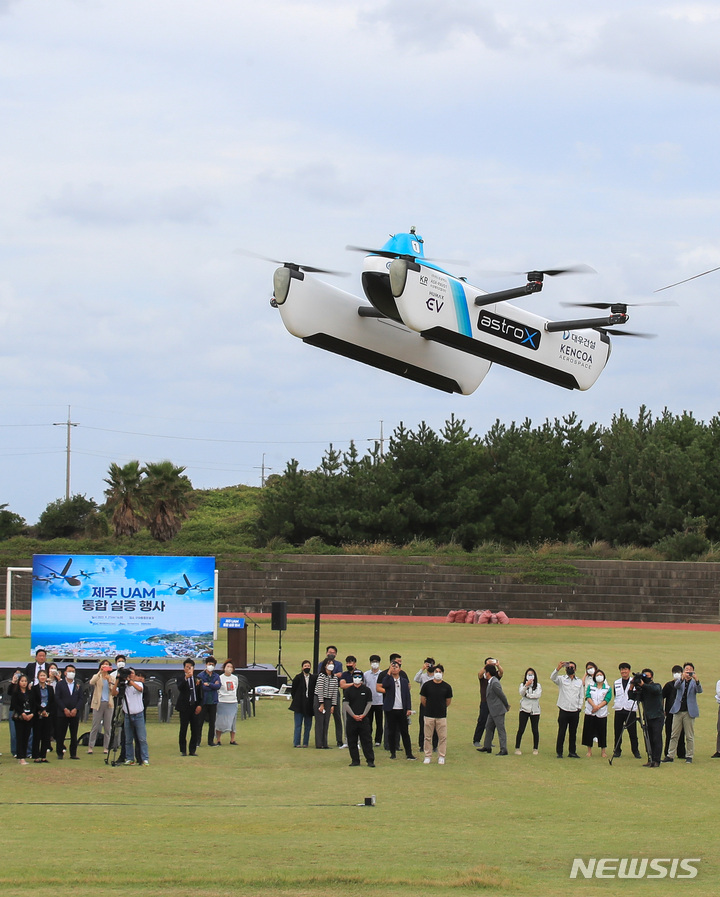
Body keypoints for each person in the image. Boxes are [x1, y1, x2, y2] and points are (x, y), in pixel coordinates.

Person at [663, 662, 702, 764]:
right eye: (686, 670)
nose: (688, 672)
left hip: (689, 712)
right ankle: (670, 755)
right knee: (674, 735)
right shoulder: (680, 681)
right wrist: (682, 678)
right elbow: (676, 686)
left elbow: (699, 690)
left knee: (689, 736)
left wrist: (697, 680)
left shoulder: (694, 683)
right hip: (678, 711)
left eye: (690, 670)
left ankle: (689, 756)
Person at [377, 659, 416, 760]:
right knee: (391, 731)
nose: (394, 669)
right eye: (393, 667)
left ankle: (409, 754)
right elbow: (384, 684)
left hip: (401, 710)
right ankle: (392, 752)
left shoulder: (404, 681)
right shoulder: (388, 679)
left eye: (396, 667)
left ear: (400, 669)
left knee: (404, 732)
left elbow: (407, 695)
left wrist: (408, 708)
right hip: (391, 709)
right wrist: (389, 672)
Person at [112, 667, 149, 766]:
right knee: (128, 739)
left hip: (138, 714)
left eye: (132, 673)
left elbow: (140, 689)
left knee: (142, 738)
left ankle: (145, 758)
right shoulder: (123, 687)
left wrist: (130, 681)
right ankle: (129, 758)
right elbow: (113, 693)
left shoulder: (138, 684)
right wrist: (117, 681)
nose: (130, 675)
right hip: (127, 715)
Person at [628, 669, 664, 767]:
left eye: (647, 676)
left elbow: (654, 690)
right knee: (648, 739)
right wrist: (631, 686)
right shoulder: (643, 690)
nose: (645, 678)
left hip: (657, 716)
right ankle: (650, 759)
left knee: (656, 738)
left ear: (652, 677)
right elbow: (632, 697)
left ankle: (656, 760)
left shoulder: (656, 686)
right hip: (647, 717)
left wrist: (643, 685)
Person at [420, 663, 453, 764]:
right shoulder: (427, 685)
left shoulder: (447, 687)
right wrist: (429, 707)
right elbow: (423, 700)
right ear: (433, 673)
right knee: (427, 737)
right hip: (429, 715)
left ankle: (441, 756)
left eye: (440, 672)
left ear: (443, 673)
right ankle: (427, 756)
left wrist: (441, 707)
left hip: (441, 716)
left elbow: (448, 701)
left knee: (442, 737)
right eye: (436, 671)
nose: (438, 673)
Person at [550, 660, 584, 758]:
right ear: (565, 669)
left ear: (575, 669)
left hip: (574, 711)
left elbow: (581, 695)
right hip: (564, 710)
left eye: (572, 667)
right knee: (562, 732)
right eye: (568, 667)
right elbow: (552, 678)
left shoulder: (579, 681)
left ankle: (572, 752)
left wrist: (579, 707)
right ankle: (559, 752)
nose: (570, 669)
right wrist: (557, 669)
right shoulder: (561, 679)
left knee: (573, 733)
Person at [343, 668, 375, 767]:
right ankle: (355, 760)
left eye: (359, 676)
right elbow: (345, 704)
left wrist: (363, 715)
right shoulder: (348, 690)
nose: (357, 678)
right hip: (351, 720)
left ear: (362, 678)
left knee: (366, 741)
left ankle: (370, 760)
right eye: (355, 676)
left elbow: (369, 703)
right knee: (352, 741)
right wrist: (353, 715)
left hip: (364, 719)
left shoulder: (367, 690)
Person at [472, 656, 504, 749]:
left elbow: (501, 672)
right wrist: (486, 665)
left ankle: (489, 741)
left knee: (492, 722)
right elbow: (479, 674)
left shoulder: (495, 677)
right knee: (482, 720)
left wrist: (498, 665)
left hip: (493, 703)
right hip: (485, 702)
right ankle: (476, 740)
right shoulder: (484, 676)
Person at [55, 663, 85, 760]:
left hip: (74, 713)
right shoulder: (60, 684)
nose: (71, 673)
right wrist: (64, 709)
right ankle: (60, 752)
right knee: (61, 734)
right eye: (69, 671)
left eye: (73, 671)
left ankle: (73, 753)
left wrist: (76, 709)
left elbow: (81, 698)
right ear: (65, 673)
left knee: (74, 734)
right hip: (62, 713)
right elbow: (57, 698)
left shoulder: (78, 684)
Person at [612, 663, 642, 759]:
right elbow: (615, 694)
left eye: (625, 669)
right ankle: (617, 750)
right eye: (622, 670)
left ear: (629, 671)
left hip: (630, 709)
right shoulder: (616, 682)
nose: (623, 671)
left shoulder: (634, 682)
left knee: (633, 732)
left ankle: (635, 751)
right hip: (619, 709)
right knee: (617, 732)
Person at [480, 664, 510, 756]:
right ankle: (487, 746)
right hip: (492, 710)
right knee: (488, 727)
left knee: (501, 730)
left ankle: (503, 749)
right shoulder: (491, 682)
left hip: (498, 710)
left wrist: (506, 705)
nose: (484, 674)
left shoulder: (494, 683)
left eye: (485, 672)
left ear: (488, 673)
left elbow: (501, 695)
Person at [176, 658, 204, 756]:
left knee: (195, 729)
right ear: (184, 668)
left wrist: (200, 705)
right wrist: (186, 678)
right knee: (183, 728)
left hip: (195, 706)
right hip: (184, 707)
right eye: (187, 667)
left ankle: (192, 750)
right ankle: (183, 750)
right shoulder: (181, 678)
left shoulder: (197, 679)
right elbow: (180, 688)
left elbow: (201, 693)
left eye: (190, 667)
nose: (189, 669)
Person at [582, 668, 611, 759]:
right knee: (589, 731)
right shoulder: (591, 686)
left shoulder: (607, 688)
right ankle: (589, 751)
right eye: (597, 675)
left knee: (602, 731)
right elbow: (588, 696)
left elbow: (607, 699)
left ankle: (603, 751)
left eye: (601, 675)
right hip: (590, 711)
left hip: (601, 713)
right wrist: (594, 706)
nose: (599, 677)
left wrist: (598, 707)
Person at [317, 646, 343, 747]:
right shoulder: (321, 664)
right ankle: (322, 741)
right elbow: (321, 675)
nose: (331, 654)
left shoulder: (339, 664)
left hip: (334, 691)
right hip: (323, 693)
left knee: (337, 716)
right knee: (323, 718)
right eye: (329, 652)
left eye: (333, 652)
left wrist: (333, 675)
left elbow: (340, 675)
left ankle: (339, 740)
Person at [88, 659, 114, 755]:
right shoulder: (97, 676)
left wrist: (109, 681)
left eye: (107, 665)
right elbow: (91, 682)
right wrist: (100, 672)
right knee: (95, 726)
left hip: (108, 704)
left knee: (107, 727)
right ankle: (91, 746)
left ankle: (106, 747)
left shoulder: (111, 677)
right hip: (98, 704)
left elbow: (113, 690)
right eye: (104, 665)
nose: (105, 666)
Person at [314, 658, 340, 749]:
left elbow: (335, 692)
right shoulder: (321, 676)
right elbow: (320, 690)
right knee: (320, 722)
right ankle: (319, 743)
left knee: (326, 721)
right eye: (329, 663)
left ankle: (325, 743)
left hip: (329, 700)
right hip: (319, 699)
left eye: (332, 663)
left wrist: (333, 705)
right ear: (325, 665)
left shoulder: (334, 678)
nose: (331, 665)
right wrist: (321, 704)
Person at [514, 668, 541, 755]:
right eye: (529, 674)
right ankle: (517, 748)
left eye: (532, 674)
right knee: (521, 729)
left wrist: (528, 695)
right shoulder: (522, 685)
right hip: (524, 709)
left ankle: (535, 748)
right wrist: (526, 686)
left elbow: (537, 695)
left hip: (535, 710)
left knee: (535, 730)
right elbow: (522, 693)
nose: (530, 676)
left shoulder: (538, 686)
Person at [289, 660, 315, 747]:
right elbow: (293, 691)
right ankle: (296, 743)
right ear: (302, 667)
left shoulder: (313, 678)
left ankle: (305, 743)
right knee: (298, 725)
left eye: (308, 666)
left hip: (309, 705)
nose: (307, 667)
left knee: (308, 725)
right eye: (305, 666)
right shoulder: (298, 678)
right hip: (299, 705)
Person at [31, 669, 55, 762]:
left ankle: (43, 756)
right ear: (38, 677)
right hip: (38, 714)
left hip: (47, 714)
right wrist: (41, 710)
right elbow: (34, 701)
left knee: (46, 736)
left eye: (44, 675)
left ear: (46, 677)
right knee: (37, 736)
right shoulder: (34, 688)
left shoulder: (50, 688)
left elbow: (52, 701)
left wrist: (46, 711)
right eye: (41, 675)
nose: (42, 677)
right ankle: (36, 756)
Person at [662, 665, 686, 760]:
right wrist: (663, 709)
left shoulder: (684, 684)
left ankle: (681, 753)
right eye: (675, 672)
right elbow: (662, 696)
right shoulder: (669, 685)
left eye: (678, 672)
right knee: (669, 733)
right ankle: (667, 752)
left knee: (682, 733)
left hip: (681, 712)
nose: (676, 674)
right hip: (670, 712)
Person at [10, 673, 34, 765]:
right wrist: (22, 713)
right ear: (19, 682)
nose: (24, 683)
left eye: (25, 681)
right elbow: (14, 704)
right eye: (22, 681)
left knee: (26, 737)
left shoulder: (30, 692)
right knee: (19, 736)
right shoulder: (16, 693)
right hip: (20, 717)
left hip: (29, 717)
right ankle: (20, 757)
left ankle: (24, 754)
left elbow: (34, 704)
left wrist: (31, 714)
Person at [198, 656, 222, 746]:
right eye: (209, 664)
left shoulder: (216, 676)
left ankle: (210, 741)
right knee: (200, 722)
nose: (210, 666)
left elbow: (218, 686)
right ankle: (197, 741)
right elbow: (201, 687)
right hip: (203, 702)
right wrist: (212, 685)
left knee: (212, 723)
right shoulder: (201, 675)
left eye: (212, 664)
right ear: (206, 665)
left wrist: (208, 684)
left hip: (213, 702)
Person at [216, 661, 239, 746]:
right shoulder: (220, 678)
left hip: (233, 701)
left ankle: (232, 739)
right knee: (220, 721)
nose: (229, 668)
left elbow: (236, 688)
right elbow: (218, 689)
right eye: (227, 666)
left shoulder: (235, 678)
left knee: (233, 721)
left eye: (231, 667)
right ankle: (218, 739)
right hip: (222, 701)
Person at [414, 657, 436, 752]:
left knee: (435, 724)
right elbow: (416, 679)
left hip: (434, 702)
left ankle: (434, 745)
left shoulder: (436, 676)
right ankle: (422, 745)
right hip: (424, 702)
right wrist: (422, 669)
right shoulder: (423, 676)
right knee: (423, 724)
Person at [363, 655, 384, 747]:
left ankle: (378, 740)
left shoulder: (382, 674)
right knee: (368, 722)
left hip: (380, 701)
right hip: (369, 702)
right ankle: (368, 738)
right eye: (373, 662)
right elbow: (364, 686)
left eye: (376, 662)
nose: (374, 664)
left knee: (379, 722)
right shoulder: (366, 674)